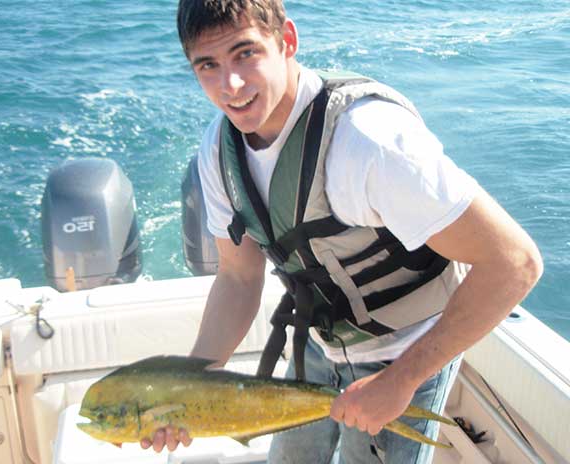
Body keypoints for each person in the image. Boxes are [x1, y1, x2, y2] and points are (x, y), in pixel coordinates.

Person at [141, 0, 543, 462]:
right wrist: (187, 388)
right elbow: (237, 277)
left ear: (287, 40)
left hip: (409, 350)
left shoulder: (367, 141)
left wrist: (400, 381)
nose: (230, 85)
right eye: (208, 65)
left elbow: (515, 262)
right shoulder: (218, 150)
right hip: (316, 341)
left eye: (245, 53)